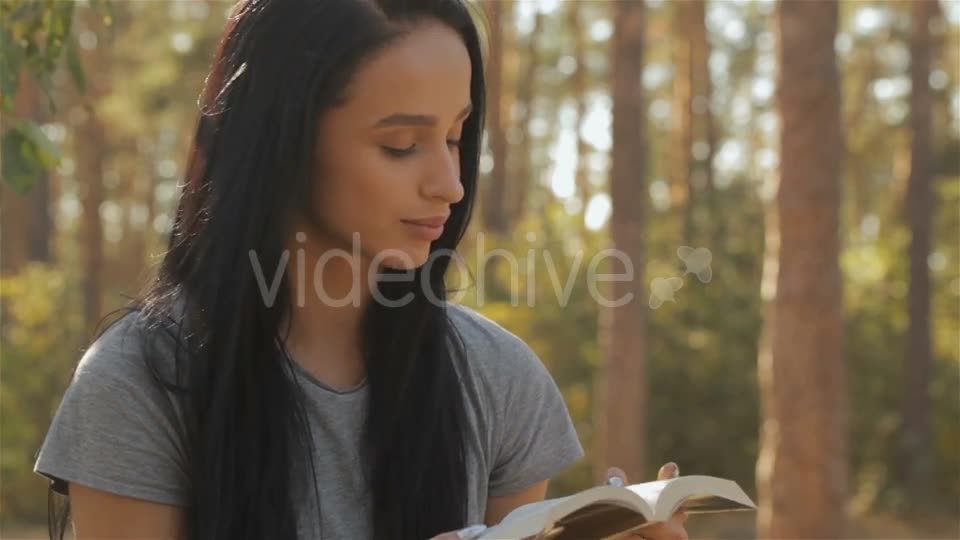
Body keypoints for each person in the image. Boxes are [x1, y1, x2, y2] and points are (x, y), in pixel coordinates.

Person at [33, 1, 688, 539]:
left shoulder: (498, 380)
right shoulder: (141, 383)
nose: (450, 185)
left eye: (457, 138)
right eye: (401, 145)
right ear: (281, 142)